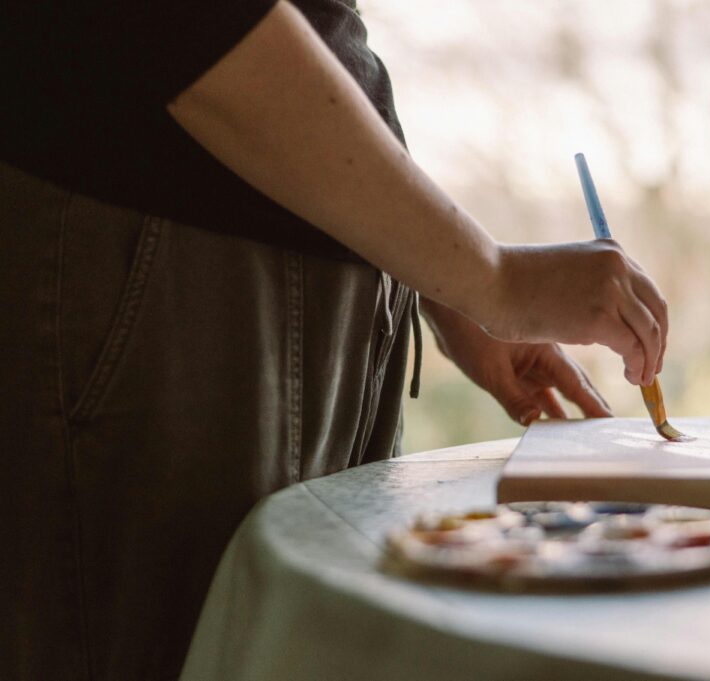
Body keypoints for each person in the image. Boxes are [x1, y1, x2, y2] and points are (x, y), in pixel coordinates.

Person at [0, 1, 669, 678]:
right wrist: (496, 281)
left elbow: (312, 32)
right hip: (170, 285)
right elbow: (191, 26)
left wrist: (443, 286)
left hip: (249, 298)